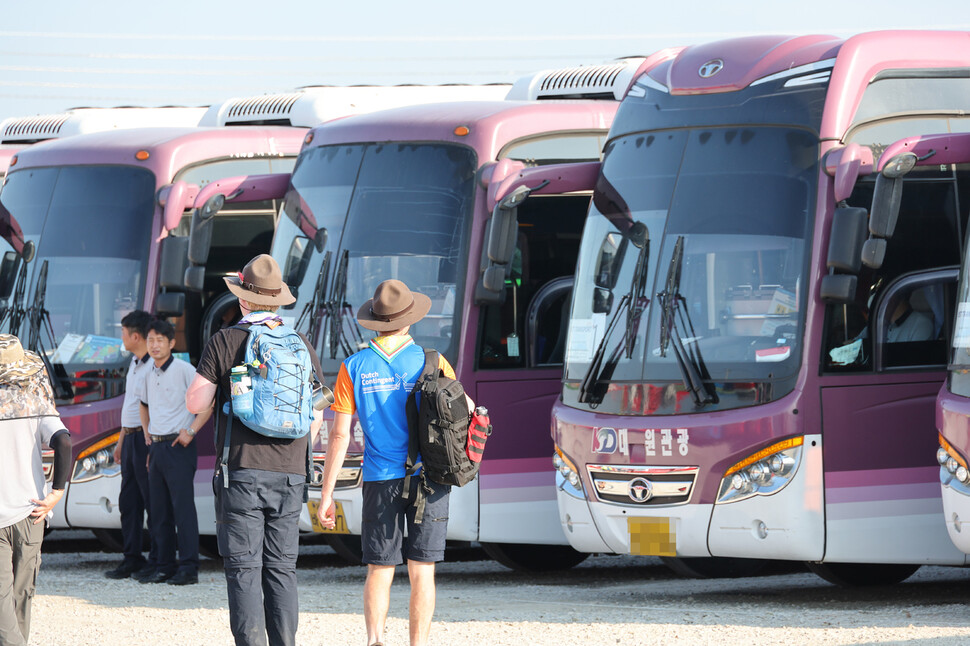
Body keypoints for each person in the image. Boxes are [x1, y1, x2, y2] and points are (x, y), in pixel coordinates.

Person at [316, 279, 473, 646]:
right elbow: (460, 417)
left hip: (379, 480)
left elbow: (339, 437)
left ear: (375, 321)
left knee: (380, 568)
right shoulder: (433, 361)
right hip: (431, 479)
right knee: (423, 572)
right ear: (410, 320)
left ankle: (375, 641)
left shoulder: (353, 367)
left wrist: (326, 495)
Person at [185, 254, 323, 646]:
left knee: (244, 568)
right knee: (282, 569)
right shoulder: (300, 344)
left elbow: (196, 403)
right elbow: (315, 416)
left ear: (243, 299)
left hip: (242, 471)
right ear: (277, 301)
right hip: (292, 472)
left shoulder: (226, 341)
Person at [0, 334, 71, 646]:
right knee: (22, 595)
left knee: (1, 599)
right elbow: (64, 442)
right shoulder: (37, 399)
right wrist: (56, 492)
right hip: (32, 513)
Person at [136, 318, 211, 586]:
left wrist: (190, 431)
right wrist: (146, 432)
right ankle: (164, 565)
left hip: (179, 446)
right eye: (150, 340)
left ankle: (189, 567)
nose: (154, 345)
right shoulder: (147, 373)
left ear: (171, 343)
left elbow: (207, 404)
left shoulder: (184, 370)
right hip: (156, 446)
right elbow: (143, 406)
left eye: (159, 340)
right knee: (159, 511)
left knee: (183, 510)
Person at [104, 310, 158, 582]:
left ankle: (157, 559)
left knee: (153, 501)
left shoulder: (154, 366)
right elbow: (129, 407)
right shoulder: (135, 363)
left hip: (146, 439)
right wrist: (120, 442)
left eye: (123, 333)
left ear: (136, 336)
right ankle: (132, 558)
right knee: (129, 503)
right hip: (130, 439)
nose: (121, 338)